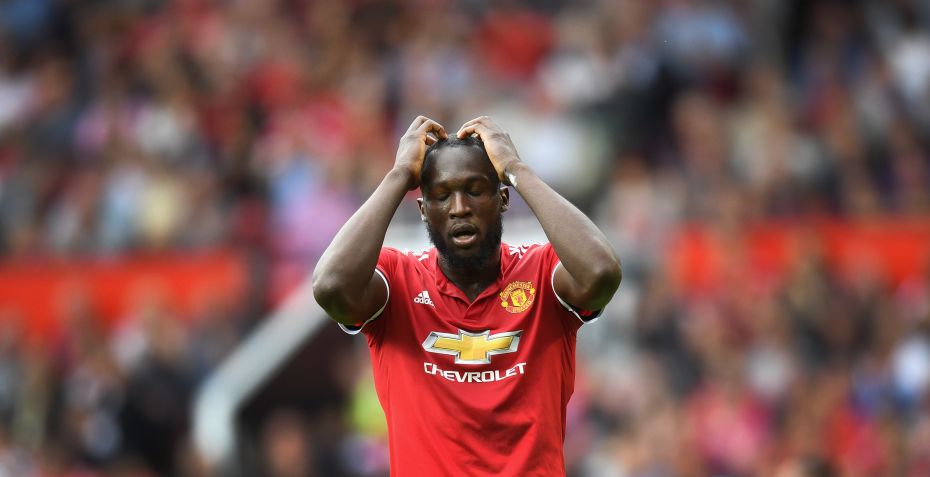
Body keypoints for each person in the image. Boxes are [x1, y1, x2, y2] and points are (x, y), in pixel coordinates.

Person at [312, 115, 621, 476]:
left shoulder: (541, 272)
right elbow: (331, 287)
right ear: (424, 210)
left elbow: (601, 272)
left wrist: (516, 169)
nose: (459, 208)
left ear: (502, 199)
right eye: (442, 196)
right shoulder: (397, 281)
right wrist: (398, 176)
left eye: (474, 190)